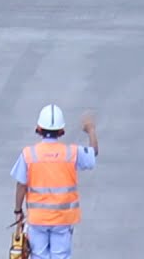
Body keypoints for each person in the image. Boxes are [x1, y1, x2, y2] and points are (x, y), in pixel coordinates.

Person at [11, 104, 98, 259]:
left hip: (38, 219)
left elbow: (21, 185)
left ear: (39, 128)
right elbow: (93, 154)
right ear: (61, 130)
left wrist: (18, 211)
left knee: (38, 255)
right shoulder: (71, 152)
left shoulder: (29, 154)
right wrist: (90, 129)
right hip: (63, 219)